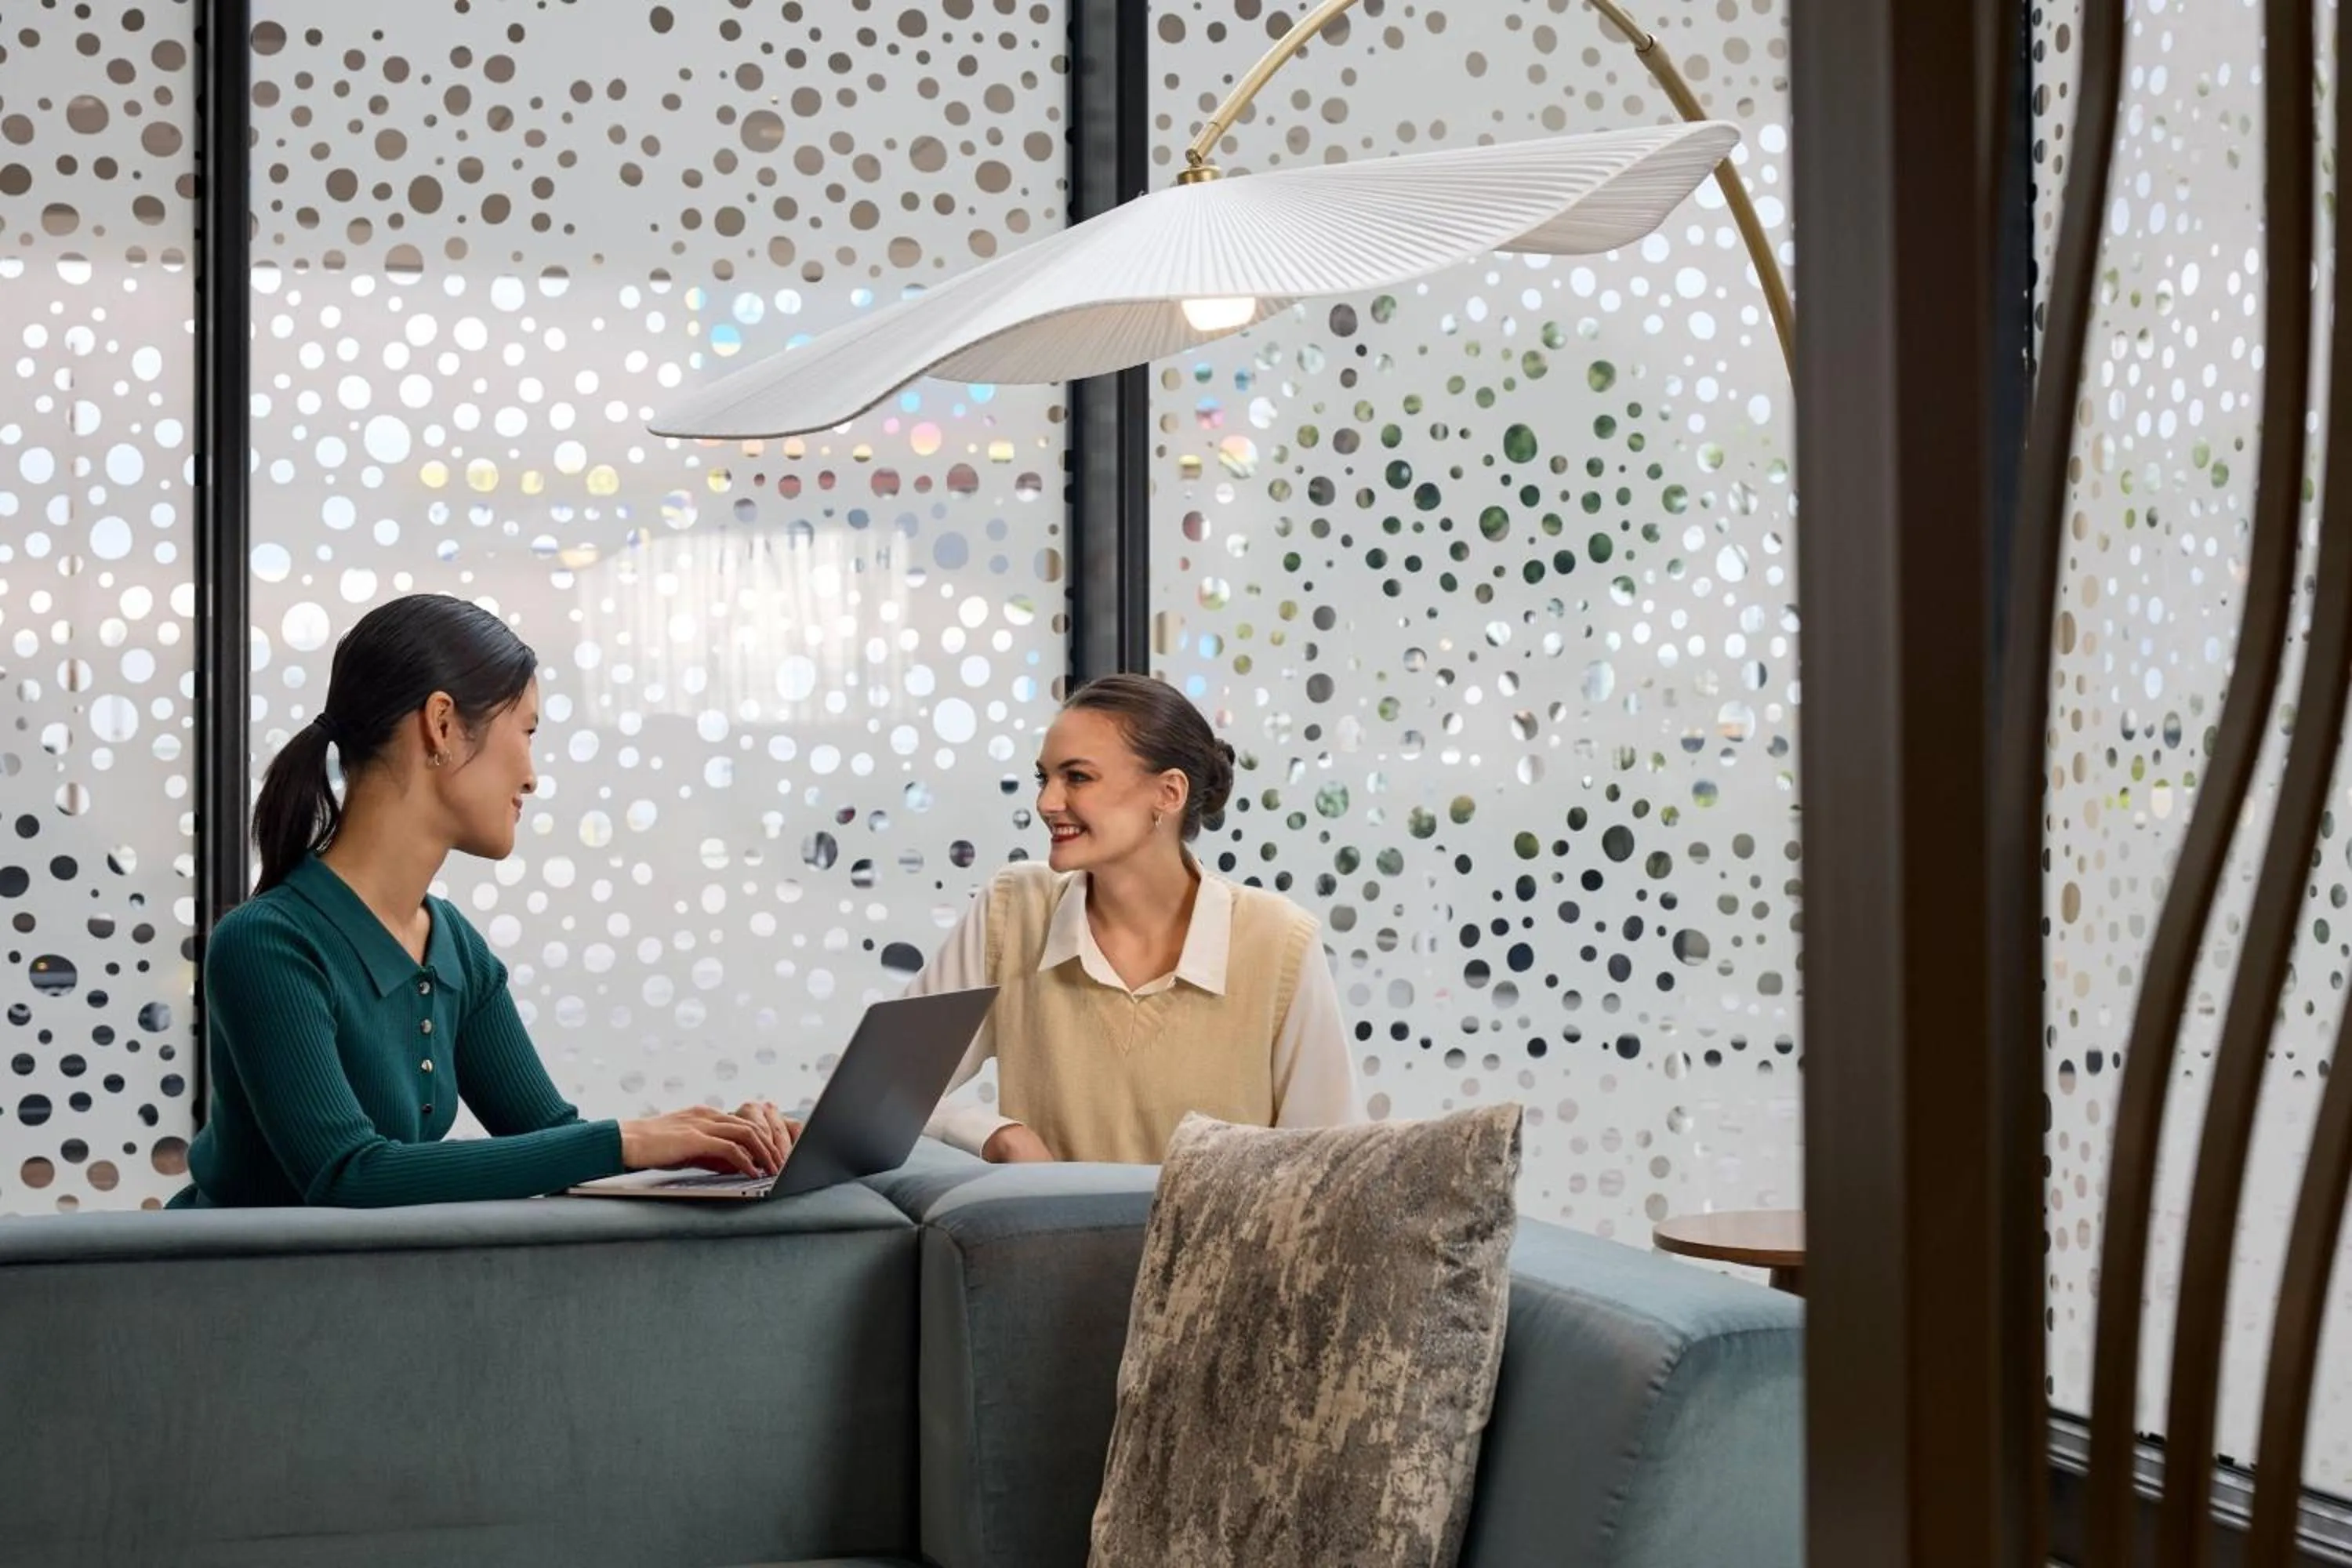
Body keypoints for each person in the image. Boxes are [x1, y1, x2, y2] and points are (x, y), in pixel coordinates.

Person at [170, 594, 794, 1208]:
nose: (532, 776)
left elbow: (550, 1140)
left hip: (372, 1296)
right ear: (441, 725)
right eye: (525, 732)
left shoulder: (453, 947)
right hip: (237, 1301)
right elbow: (346, 1176)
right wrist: (627, 1142)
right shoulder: (267, 943)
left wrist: (713, 1144)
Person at [909, 673, 1360, 1164]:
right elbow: (884, 1089)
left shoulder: (1279, 942)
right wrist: (994, 1133)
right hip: (1046, 1241)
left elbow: (1325, 1170)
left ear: (1168, 793)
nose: (1046, 802)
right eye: (1045, 777)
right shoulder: (1013, 909)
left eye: (1077, 777)